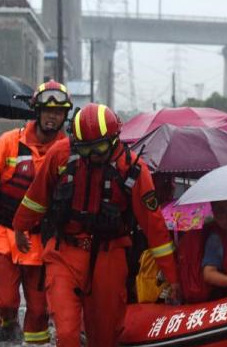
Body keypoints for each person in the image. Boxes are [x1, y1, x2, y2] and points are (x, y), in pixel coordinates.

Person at [12, 103, 181, 347]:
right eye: (85, 149)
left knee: (104, 337)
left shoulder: (132, 170)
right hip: (64, 253)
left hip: (109, 256)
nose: (92, 156)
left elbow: (153, 226)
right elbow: (37, 196)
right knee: (67, 334)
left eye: (99, 148)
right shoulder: (60, 155)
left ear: (114, 139)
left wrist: (171, 276)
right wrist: (20, 227)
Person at [0, 80, 72, 344]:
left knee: (40, 309)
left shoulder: (67, 152)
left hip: (42, 241)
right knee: (5, 300)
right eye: (47, 111)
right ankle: (7, 321)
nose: (52, 116)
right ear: (37, 111)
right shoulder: (9, 142)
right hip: (4, 236)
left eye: (58, 112)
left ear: (65, 115)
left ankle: (37, 343)